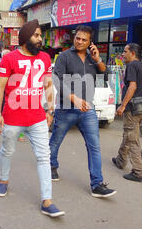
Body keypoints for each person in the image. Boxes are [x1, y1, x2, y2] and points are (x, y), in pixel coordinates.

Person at [0, 19, 65, 218]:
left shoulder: (45, 59)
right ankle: (4, 180)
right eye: (36, 35)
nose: (40, 39)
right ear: (25, 38)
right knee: (7, 151)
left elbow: (48, 85)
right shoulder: (9, 59)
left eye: (40, 35)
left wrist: (50, 111)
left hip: (37, 117)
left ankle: (47, 200)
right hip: (12, 117)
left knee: (44, 156)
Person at [50, 25, 117, 198]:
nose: (79, 41)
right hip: (66, 109)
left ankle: (97, 184)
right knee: (56, 141)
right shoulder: (64, 56)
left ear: (90, 42)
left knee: (94, 146)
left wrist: (98, 59)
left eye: (84, 40)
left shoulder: (92, 59)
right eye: (77, 38)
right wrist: (75, 99)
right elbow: (57, 81)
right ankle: (51, 165)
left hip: (88, 110)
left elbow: (107, 76)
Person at [112, 44, 142, 182]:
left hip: (132, 109)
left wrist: (123, 105)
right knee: (128, 134)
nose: (123, 54)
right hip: (140, 108)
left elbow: (132, 86)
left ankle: (139, 171)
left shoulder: (132, 66)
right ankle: (121, 160)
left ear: (132, 53)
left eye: (125, 51)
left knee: (132, 139)